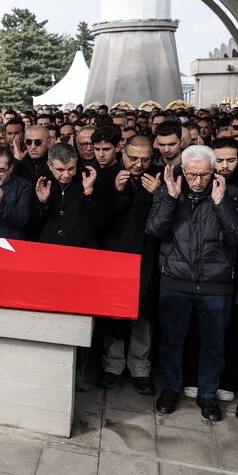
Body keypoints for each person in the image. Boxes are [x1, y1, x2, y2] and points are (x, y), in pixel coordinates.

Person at [147, 145, 238, 421]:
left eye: (204, 174)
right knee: (172, 341)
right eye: (192, 174)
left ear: (213, 171)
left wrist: (221, 204)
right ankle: (171, 388)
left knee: (213, 344)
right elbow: (155, 229)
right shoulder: (170, 191)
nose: (197, 181)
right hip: (175, 281)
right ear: (182, 170)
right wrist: (169, 197)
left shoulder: (231, 194)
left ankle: (207, 394)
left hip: (215, 285)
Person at [96, 135, 161, 395]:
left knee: (143, 313)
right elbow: (98, 220)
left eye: (145, 159)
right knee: (114, 311)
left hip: (147, 253)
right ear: (123, 152)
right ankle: (112, 365)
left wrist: (159, 195)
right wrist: (116, 192)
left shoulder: (158, 175)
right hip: (114, 254)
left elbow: (167, 217)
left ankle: (140, 368)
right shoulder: (107, 175)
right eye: (133, 158)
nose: (138, 164)